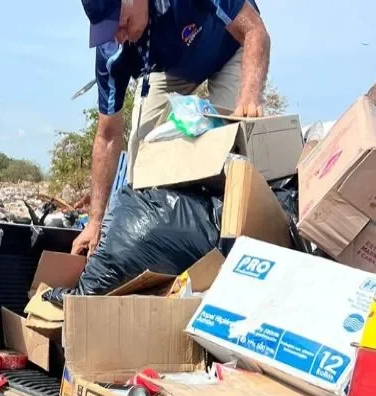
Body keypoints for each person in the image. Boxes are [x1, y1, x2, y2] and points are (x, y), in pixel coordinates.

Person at [71, 0, 270, 255]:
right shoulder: (112, 48)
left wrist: (249, 99)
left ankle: (236, 241)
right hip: (172, 68)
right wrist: (95, 221)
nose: (119, 37)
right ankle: (147, 244)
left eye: (121, 24)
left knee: (233, 144)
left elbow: (255, 31)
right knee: (142, 151)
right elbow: (107, 136)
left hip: (230, 46)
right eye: (108, 30)